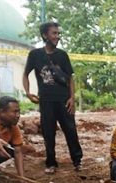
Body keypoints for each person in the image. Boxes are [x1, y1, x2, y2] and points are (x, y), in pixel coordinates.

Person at [23, 21, 82, 174]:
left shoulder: (62, 55)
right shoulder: (35, 55)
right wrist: (28, 93)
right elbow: (25, 74)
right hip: (46, 100)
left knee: (70, 130)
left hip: (63, 100)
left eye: (58, 33)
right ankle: (51, 163)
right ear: (45, 35)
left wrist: (71, 98)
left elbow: (70, 78)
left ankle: (77, 161)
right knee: (48, 132)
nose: (57, 36)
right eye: (54, 33)